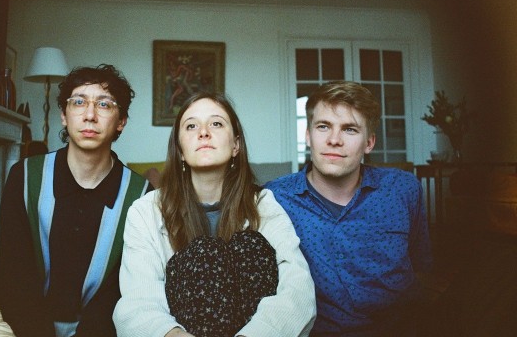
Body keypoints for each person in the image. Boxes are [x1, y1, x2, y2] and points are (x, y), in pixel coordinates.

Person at [113, 92, 316, 337]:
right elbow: (137, 301)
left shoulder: (263, 204)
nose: (203, 132)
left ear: (236, 145)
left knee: (250, 245)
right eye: (191, 126)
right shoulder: (145, 211)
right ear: (180, 150)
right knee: (202, 254)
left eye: (216, 123)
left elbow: (298, 288)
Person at [0, 64, 153, 337]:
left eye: (104, 104)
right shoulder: (25, 177)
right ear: (64, 116)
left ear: (121, 121)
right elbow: (14, 276)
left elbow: (123, 291)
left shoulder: (141, 196)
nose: (90, 115)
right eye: (78, 102)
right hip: (26, 326)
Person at [265, 81, 432, 336]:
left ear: (369, 142)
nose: (334, 140)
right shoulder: (275, 197)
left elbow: (421, 264)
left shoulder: (403, 189)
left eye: (350, 129)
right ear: (308, 136)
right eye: (323, 127)